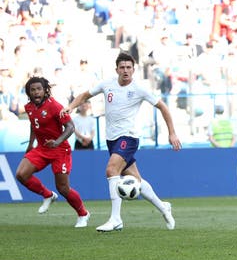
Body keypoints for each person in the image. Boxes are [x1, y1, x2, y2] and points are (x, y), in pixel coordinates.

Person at [63, 52, 182, 232]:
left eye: (129, 67)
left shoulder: (139, 89)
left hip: (129, 137)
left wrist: (172, 133)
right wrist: (70, 107)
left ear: (133, 70)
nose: (125, 71)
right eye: (122, 67)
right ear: (116, 69)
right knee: (136, 181)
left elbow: (163, 106)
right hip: (112, 139)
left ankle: (116, 219)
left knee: (111, 170)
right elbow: (85, 95)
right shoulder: (107, 84)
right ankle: (163, 207)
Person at [15, 76, 90, 227]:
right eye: (33, 90)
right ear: (29, 93)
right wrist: (31, 144)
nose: (36, 92)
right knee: (21, 175)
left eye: (39, 89)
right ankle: (47, 195)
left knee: (62, 188)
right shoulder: (29, 107)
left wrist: (57, 141)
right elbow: (34, 125)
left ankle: (83, 214)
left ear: (45, 90)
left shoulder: (55, 106)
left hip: (59, 149)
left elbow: (70, 127)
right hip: (42, 148)